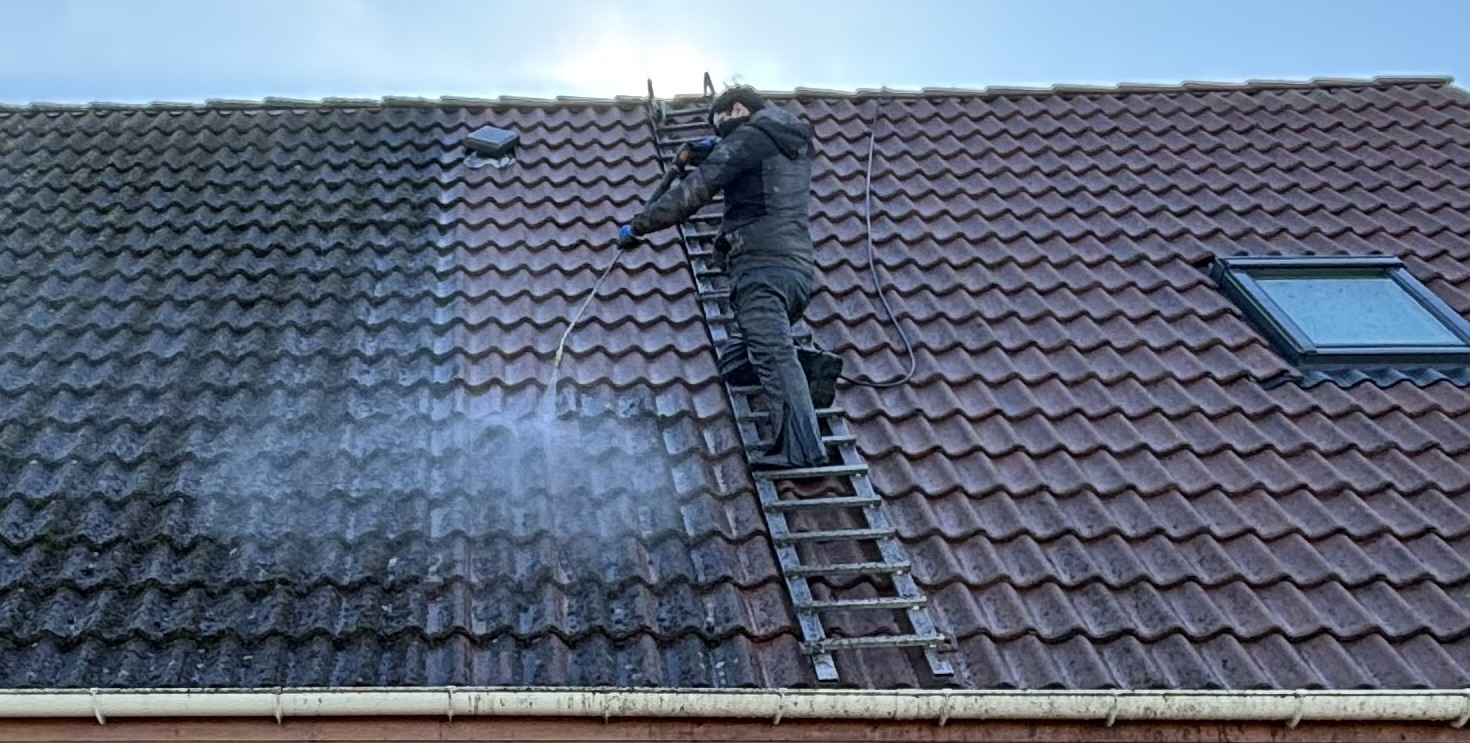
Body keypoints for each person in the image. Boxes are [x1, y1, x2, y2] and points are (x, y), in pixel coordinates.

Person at [620, 85, 842, 471]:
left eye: (722, 123)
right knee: (736, 362)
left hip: (761, 269)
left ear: (738, 109)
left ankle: (801, 448)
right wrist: (708, 146)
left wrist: (640, 225)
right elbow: (742, 155)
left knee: (773, 357)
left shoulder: (750, 139)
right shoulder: (787, 139)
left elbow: (696, 191)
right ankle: (811, 371)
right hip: (795, 272)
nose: (721, 131)